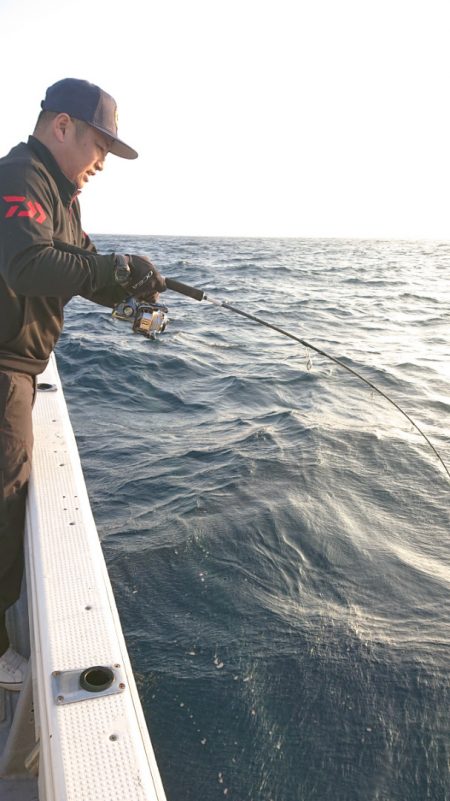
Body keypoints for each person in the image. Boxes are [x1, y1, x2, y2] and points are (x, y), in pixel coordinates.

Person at [0, 78, 166, 690]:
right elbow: (25, 262)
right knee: (3, 499)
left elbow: (83, 268)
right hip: (3, 369)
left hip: (19, 365)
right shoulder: (20, 176)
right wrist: (109, 269)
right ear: (61, 126)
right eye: (100, 145)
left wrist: (128, 280)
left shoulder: (62, 196)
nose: (102, 162)